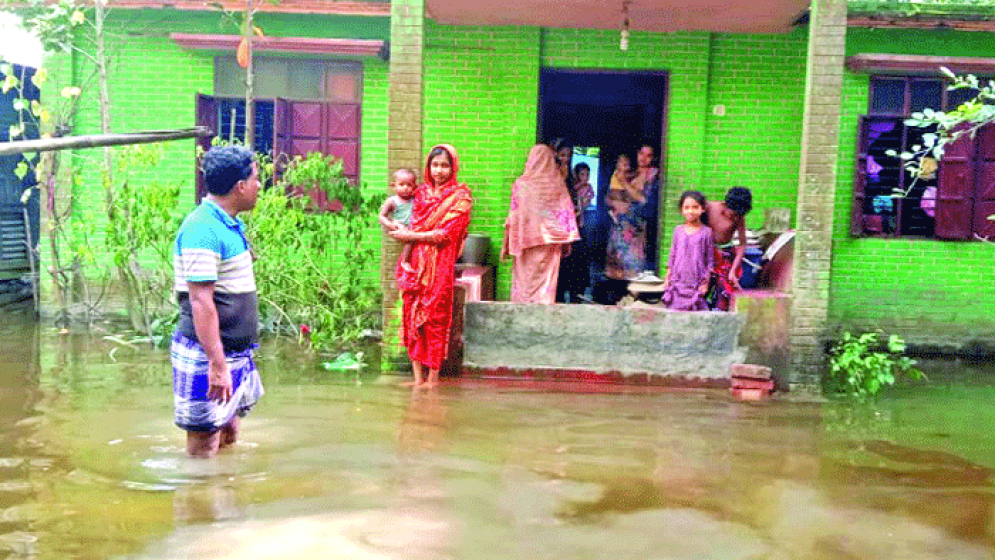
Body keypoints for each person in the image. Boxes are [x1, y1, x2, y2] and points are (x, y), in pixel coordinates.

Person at [172, 145, 264, 458]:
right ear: (240, 187)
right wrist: (217, 364)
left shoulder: (227, 222)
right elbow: (200, 301)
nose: (259, 186)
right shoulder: (202, 228)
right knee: (203, 443)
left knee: (229, 431)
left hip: (233, 352)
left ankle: (223, 496)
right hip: (209, 353)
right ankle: (197, 502)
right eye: (255, 179)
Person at [390, 145, 472, 387]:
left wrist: (410, 236)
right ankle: (417, 379)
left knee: (435, 319)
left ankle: (433, 379)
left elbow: (444, 235)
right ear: (428, 167)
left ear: (453, 167)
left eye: (445, 165)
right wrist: (398, 230)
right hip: (414, 266)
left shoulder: (460, 198)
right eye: (435, 165)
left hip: (439, 268)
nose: (439, 171)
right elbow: (399, 212)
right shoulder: (421, 194)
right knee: (411, 315)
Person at [502, 144, 580, 303]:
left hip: (526, 244)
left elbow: (513, 216)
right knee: (546, 284)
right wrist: (567, 242)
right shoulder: (557, 184)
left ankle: (521, 314)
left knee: (524, 283)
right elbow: (565, 213)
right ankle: (541, 315)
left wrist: (506, 244)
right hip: (550, 245)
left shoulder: (521, 185)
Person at [663, 191, 715, 311]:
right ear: (681, 210)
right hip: (677, 282)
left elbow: (710, 261)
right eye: (686, 208)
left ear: (702, 209)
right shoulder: (678, 231)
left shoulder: (706, 232)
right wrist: (667, 277)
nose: (690, 211)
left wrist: (706, 283)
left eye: (695, 207)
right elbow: (673, 255)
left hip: (696, 283)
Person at [703, 186, 753, 311]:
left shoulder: (739, 217)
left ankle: (719, 312)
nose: (734, 217)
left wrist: (733, 270)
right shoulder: (710, 209)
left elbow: (742, 245)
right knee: (702, 287)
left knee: (725, 290)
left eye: (738, 215)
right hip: (706, 253)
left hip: (725, 255)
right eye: (733, 213)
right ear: (725, 204)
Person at [556, 162, 595, 302]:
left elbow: (586, 202)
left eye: (587, 174)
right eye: (582, 174)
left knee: (579, 262)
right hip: (566, 232)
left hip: (579, 228)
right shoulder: (570, 188)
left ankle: (577, 293)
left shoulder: (587, 188)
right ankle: (565, 293)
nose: (585, 178)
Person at [605, 153, 647, 280]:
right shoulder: (620, 175)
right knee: (616, 261)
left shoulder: (649, 176)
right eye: (641, 154)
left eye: (648, 155)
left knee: (632, 266)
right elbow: (608, 196)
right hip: (620, 226)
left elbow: (643, 200)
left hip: (634, 228)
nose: (643, 158)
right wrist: (614, 203)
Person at [379, 168, 418, 272]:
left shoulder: (414, 199)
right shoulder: (392, 201)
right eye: (401, 184)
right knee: (410, 239)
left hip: (410, 228)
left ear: (414, 187)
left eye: (409, 185)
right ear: (394, 185)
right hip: (398, 226)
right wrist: (391, 225)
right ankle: (404, 261)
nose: (405, 188)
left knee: (413, 236)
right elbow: (382, 216)